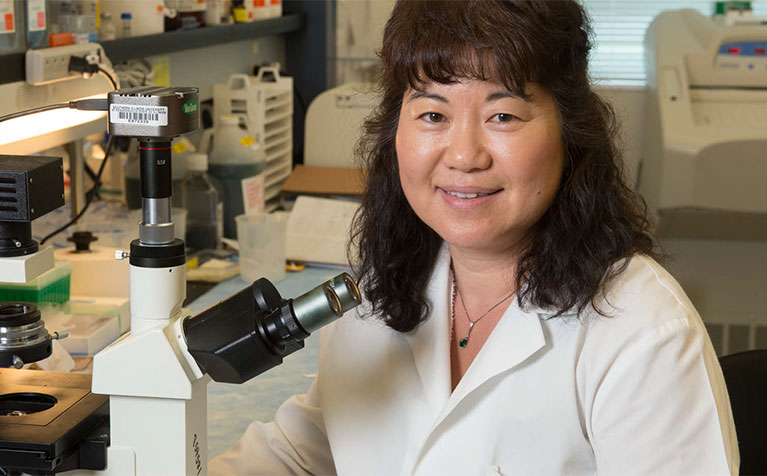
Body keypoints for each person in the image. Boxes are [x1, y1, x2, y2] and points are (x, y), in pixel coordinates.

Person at [210, 1, 738, 474]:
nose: (464, 155)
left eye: (502, 115)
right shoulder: (376, 295)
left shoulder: (644, 334)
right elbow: (310, 447)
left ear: (572, 131)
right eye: (433, 114)